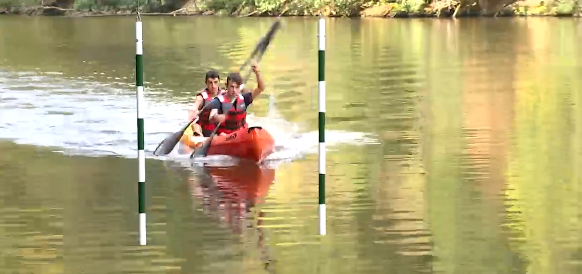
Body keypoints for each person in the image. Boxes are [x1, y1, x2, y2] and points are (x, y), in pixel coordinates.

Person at [208, 60, 265, 136]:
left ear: (240, 87)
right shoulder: (218, 101)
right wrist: (216, 117)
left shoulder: (245, 98)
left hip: (241, 134)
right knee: (222, 135)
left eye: (237, 87)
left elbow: (261, 88)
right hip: (225, 136)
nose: (234, 90)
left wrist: (257, 73)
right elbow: (211, 117)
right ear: (226, 85)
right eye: (232, 87)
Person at [188, 70, 226, 137]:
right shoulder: (202, 96)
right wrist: (193, 111)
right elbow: (196, 105)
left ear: (219, 82)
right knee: (195, 125)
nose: (213, 86)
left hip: (218, 129)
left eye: (215, 82)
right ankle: (198, 136)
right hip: (203, 129)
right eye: (210, 83)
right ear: (206, 83)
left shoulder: (224, 94)